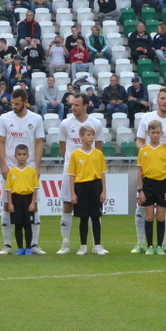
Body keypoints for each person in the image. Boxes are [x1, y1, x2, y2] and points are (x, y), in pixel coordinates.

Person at [0, 89, 45, 255]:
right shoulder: (4, 118)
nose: (13, 106)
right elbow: (1, 142)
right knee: (8, 205)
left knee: (33, 205)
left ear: (25, 102)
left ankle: (34, 244)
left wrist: (37, 166)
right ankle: (7, 244)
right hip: (11, 168)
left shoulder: (36, 119)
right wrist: (3, 164)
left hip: (29, 168)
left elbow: (39, 143)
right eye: (12, 103)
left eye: (17, 103)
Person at [56, 93, 104, 255]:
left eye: (76, 105)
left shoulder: (95, 124)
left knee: (94, 210)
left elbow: (98, 147)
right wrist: (72, 162)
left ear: (85, 105)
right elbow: (62, 147)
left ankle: (96, 244)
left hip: (90, 173)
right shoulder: (65, 123)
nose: (73, 108)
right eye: (72, 105)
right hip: (71, 170)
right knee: (68, 205)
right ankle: (65, 243)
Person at [135, 120, 166, 255]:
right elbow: (140, 172)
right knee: (148, 215)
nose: (155, 135)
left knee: (160, 215)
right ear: (148, 133)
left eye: (158, 132)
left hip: (162, 184)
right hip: (148, 184)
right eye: (153, 132)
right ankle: (150, 246)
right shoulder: (143, 150)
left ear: (161, 133)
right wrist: (140, 190)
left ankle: (160, 245)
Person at [67, 125, 108, 256]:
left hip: (95, 186)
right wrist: (73, 192)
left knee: (95, 216)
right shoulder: (75, 154)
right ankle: (83, 245)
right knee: (83, 218)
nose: (91, 138)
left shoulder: (98, 153)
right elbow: (72, 175)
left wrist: (103, 191)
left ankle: (97, 245)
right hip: (81, 187)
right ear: (81, 137)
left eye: (92, 135)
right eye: (88, 135)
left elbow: (102, 173)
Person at [3, 144, 40, 256]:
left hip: (28, 198)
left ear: (28, 156)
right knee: (18, 225)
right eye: (19, 154)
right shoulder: (12, 171)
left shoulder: (32, 171)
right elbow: (8, 189)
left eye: (24, 154)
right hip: (16, 199)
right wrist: (10, 203)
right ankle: (20, 248)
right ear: (15, 156)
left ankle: (28, 248)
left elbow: (35, 188)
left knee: (28, 225)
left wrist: (33, 202)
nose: (22, 157)